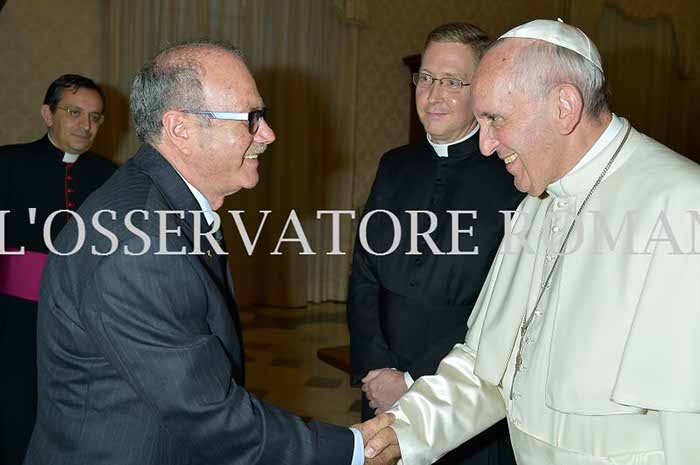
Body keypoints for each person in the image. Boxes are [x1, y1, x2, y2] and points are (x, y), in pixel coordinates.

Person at [23, 40, 391, 465]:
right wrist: (353, 450)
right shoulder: (139, 243)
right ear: (180, 128)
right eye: (251, 118)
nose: (268, 134)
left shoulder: (162, 201)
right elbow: (210, 416)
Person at [362, 19, 700, 465]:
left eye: (495, 119)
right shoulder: (537, 204)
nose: (485, 145)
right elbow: (491, 367)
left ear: (564, 106)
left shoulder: (683, 204)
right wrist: (405, 431)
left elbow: (689, 429)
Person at [347, 22, 522, 465]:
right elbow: (364, 272)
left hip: (461, 397)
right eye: (425, 78)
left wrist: (413, 382)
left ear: (481, 90)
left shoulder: (514, 179)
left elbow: (502, 306)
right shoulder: (394, 165)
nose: (433, 95)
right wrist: (376, 367)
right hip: (381, 384)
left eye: (452, 82)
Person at [0, 74, 116, 465]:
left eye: (95, 117)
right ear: (48, 115)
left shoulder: (109, 175)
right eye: (74, 113)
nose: (86, 125)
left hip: (84, 321)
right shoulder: (8, 163)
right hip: (15, 320)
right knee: (17, 412)